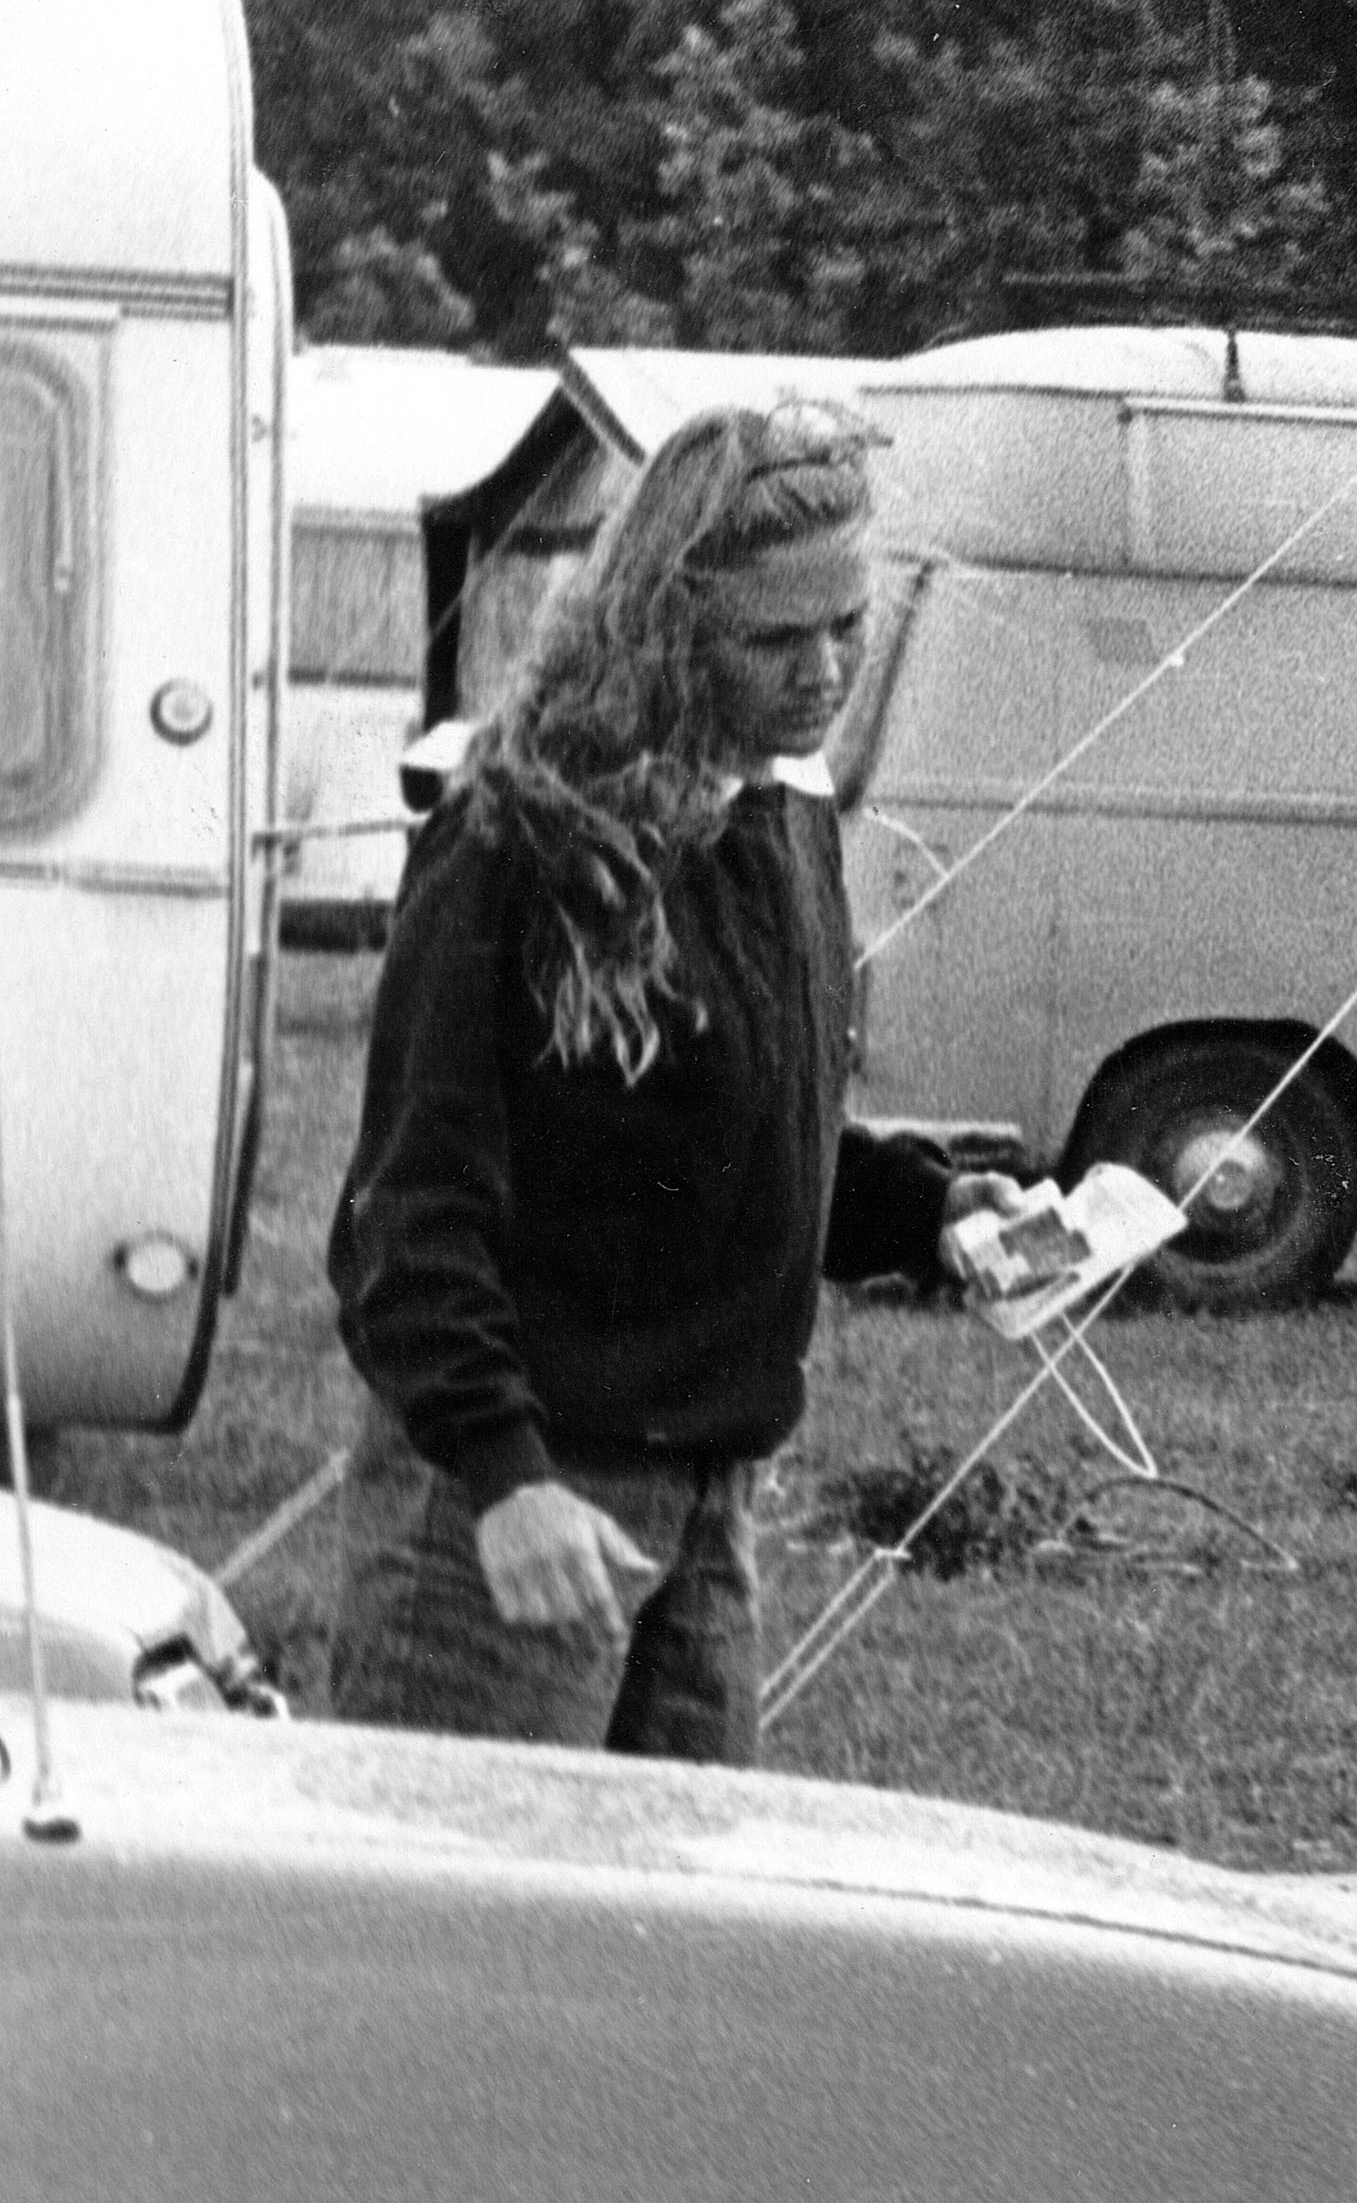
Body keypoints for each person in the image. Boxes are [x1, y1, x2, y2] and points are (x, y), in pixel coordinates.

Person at [324, 399, 1049, 1763]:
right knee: (473, 1946)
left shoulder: (778, 819)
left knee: (677, 1944)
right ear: (664, 624)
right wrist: (503, 1482)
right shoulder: (515, 837)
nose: (826, 670)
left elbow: (750, 1144)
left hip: (710, 1500)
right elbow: (408, 1214)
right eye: (776, 639)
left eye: (850, 622)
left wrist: (939, 1211)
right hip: (519, 1502)